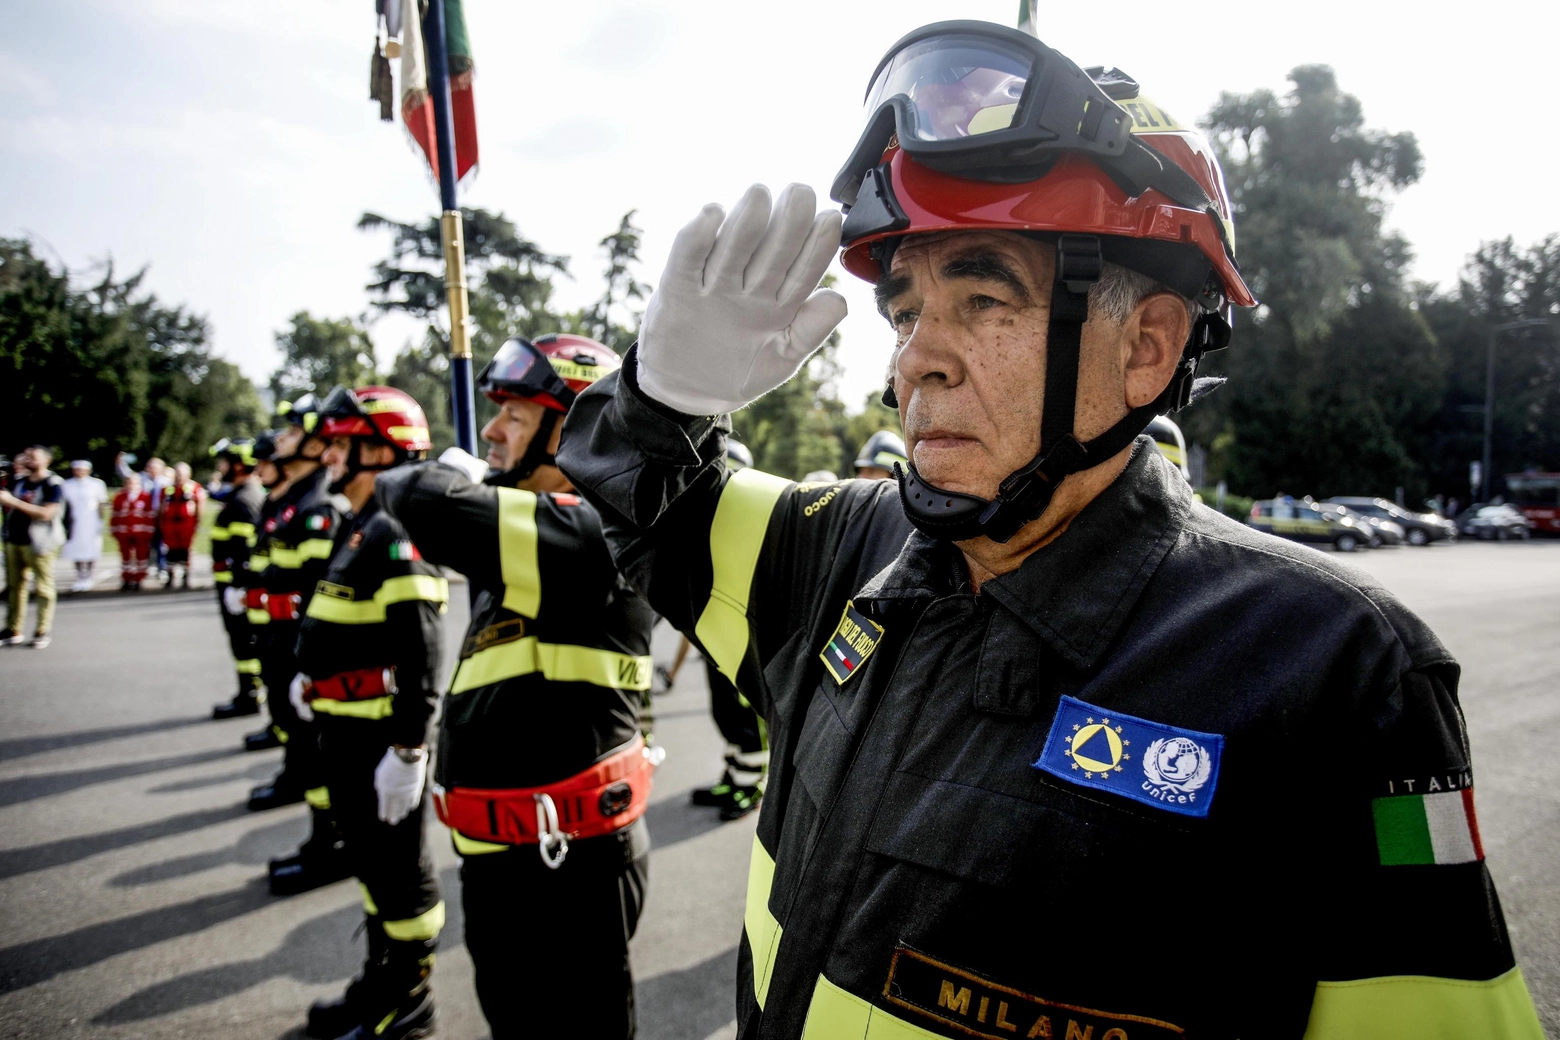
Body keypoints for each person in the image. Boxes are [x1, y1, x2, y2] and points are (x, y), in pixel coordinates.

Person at [557, 23, 1544, 1039]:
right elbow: (652, 503)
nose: (913, 365)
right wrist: (663, 391)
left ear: (1148, 348)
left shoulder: (1333, 673)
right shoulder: (843, 546)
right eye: (904, 312)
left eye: (982, 299)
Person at [375, 333, 656, 1040]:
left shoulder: (594, 534)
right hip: (511, 863)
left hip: (566, 872)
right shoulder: (533, 539)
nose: (494, 431)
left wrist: (462, 478)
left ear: (576, 430)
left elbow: (415, 494)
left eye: (516, 416)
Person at [291, 386, 446, 1040]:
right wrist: (312, 674)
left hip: (381, 738)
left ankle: (409, 1002)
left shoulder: (396, 526)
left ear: (381, 448)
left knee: (399, 873)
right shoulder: (357, 521)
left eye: (340, 441)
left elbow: (421, 650)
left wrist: (408, 750)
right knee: (371, 868)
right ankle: (380, 977)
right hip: (344, 731)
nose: (327, 453)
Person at [247, 397, 352, 895]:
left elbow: (316, 596)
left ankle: (329, 843)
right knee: (306, 752)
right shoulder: (294, 498)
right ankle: (320, 838)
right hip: (282, 641)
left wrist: (308, 665)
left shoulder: (317, 506)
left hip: (299, 646)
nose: (281, 440)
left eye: (292, 433)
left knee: (318, 756)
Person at [209, 439, 268, 719]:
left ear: (237, 464)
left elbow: (246, 552)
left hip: (236, 587)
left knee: (245, 642)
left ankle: (250, 695)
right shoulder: (239, 495)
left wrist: (239, 587)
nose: (219, 467)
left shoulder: (244, 499)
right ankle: (248, 691)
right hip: (229, 585)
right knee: (240, 642)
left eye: (224, 461)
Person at [1, 446, 66, 648]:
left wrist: (13, 502)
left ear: (46, 460)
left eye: (33, 457)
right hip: (15, 540)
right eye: (26, 456)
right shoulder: (19, 481)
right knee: (15, 587)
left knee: (43, 588)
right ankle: (13, 629)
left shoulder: (52, 483)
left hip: (40, 543)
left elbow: (46, 514)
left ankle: (42, 629)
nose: (28, 459)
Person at [61, 460, 109, 592]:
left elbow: (101, 504)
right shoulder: (67, 485)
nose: (79, 472)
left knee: (91, 548)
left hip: (90, 520)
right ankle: (80, 576)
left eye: (82, 469)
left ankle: (89, 575)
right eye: (77, 469)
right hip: (74, 521)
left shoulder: (97, 484)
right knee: (76, 548)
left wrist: (101, 520)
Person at [159, 461, 203, 589]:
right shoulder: (167, 489)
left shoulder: (194, 487)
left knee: (185, 550)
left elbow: (199, 506)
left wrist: (198, 522)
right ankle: (170, 575)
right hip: (170, 524)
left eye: (182, 474)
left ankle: (185, 576)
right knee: (171, 550)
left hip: (186, 523)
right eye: (177, 473)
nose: (179, 477)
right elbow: (162, 507)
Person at [109, 473, 156, 590]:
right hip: (124, 531)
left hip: (141, 532)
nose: (131, 485)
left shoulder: (145, 496)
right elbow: (115, 515)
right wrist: (114, 530)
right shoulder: (120, 497)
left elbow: (150, 515)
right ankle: (127, 578)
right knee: (126, 557)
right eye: (129, 482)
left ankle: (139, 579)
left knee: (141, 555)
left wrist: (149, 531)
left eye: (134, 482)